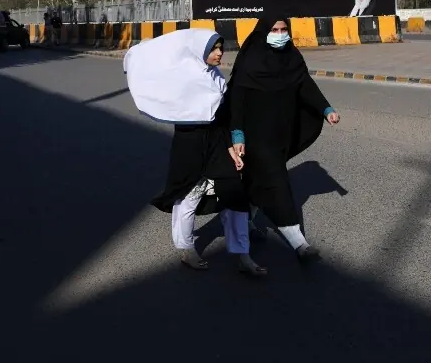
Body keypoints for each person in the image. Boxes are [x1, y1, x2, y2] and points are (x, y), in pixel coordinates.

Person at [123, 28, 267, 276]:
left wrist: (231, 147)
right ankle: (187, 248)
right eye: (214, 49)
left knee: (234, 194)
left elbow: (221, 117)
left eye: (221, 48)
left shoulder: (217, 77)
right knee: (189, 196)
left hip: (216, 142)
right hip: (189, 143)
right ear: (199, 50)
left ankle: (242, 253)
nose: (220, 53)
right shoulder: (182, 76)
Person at [228, 15, 340, 263]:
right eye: (275, 29)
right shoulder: (251, 59)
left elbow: (305, 86)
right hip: (255, 135)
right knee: (277, 181)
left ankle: (245, 219)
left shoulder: (291, 56)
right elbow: (236, 100)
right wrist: (237, 135)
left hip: (281, 133)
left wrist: (326, 109)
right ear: (264, 31)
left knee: (257, 181)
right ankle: (299, 242)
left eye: (283, 29)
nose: (280, 34)